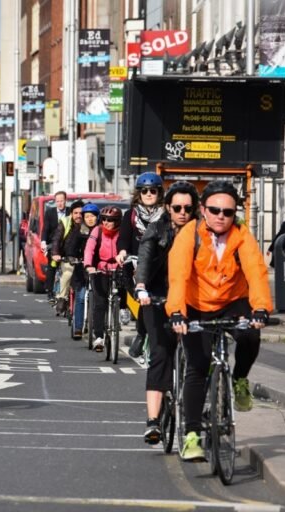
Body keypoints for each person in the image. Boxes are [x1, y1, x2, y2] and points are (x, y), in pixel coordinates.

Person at [166, 180, 272, 461]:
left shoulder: (242, 235)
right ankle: (191, 437)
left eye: (228, 211)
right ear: (203, 210)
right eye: (215, 210)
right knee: (198, 367)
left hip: (232, 301)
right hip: (195, 304)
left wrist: (260, 308)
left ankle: (239, 380)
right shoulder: (189, 235)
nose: (221, 216)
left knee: (250, 334)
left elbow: (256, 272)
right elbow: (178, 275)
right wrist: (177, 312)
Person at [133, 181, 200, 444]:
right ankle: (153, 421)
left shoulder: (202, 232)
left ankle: (200, 408)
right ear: (168, 208)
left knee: (199, 354)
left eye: (188, 207)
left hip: (191, 299)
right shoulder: (156, 229)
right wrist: (141, 286)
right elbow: (146, 256)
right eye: (177, 207)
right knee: (161, 353)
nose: (182, 212)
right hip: (157, 296)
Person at [117, 172, 165, 356]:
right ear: (139, 193)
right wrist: (122, 252)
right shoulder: (130, 215)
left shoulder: (166, 216)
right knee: (145, 301)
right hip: (136, 265)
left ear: (159, 193)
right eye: (144, 191)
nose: (149, 194)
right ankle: (141, 333)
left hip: (159, 266)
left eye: (153, 191)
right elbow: (123, 239)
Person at [84, 205, 124, 352]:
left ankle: (122, 312)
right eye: (104, 219)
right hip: (100, 269)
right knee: (100, 303)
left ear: (117, 221)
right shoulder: (97, 230)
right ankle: (99, 337)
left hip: (118, 267)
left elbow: (128, 246)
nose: (106, 222)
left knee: (124, 291)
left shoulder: (121, 232)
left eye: (111, 220)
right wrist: (89, 265)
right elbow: (89, 248)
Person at [64, 202, 100, 334]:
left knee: (99, 299)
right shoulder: (79, 231)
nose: (90, 219)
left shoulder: (100, 230)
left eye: (92, 216)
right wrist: (72, 258)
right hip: (81, 269)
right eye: (87, 216)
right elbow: (70, 247)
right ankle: (78, 327)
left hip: (97, 269)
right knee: (80, 297)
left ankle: (98, 328)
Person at [50, 200, 86, 316]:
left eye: (81, 213)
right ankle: (62, 298)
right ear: (71, 214)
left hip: (84, 259)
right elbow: (56, 239)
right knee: (67, 273)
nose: (78, 216)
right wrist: (55, 253)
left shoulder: (87, 224)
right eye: (75, 213)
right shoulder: (65, 222)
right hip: (66, 256)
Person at [42, 191, 69, 303]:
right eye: (57, 201)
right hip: (52, 244)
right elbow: (45, 229)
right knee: (52, 266)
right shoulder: (50, 212)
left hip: (66, 243)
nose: (59, 203)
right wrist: (43, 242)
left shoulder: (70, 212)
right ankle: (49, 291)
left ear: (65, 200)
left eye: (61, 201)